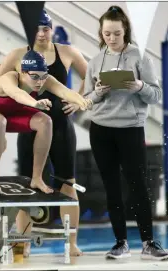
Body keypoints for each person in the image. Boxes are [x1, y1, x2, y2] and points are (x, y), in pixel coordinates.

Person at [0, 10, 88, 257]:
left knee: (68, 183)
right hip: (30, 129)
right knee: (27, 186)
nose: (42, 33)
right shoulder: (17, 55)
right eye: (37, 28)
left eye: (46, 28)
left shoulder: (66, 52)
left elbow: (92, 76)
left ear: (51, 28)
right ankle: (23, 242)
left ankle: (72, 241)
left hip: (61, 129)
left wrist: (79, 101)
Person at [83, 5, 168, 260]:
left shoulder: (140, 58)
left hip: (130, 129)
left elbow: (157, 95)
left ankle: (148, 242)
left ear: (125, 31)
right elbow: (87, 98)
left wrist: (140, 85)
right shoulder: (96, 61)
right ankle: (120, 242)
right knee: (111, 186)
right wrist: (99, 91)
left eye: (116, 34)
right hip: (101, 130)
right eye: (107, 33)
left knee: (138, 185)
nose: (111, 38)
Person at [0, 50, 92, 195]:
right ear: (22, 72)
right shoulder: (8, 78)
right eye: (34, 77)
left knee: (45, 121)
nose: (40, 82)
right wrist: (34, 103)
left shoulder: (44, 79)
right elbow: (17, 94)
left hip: (11, 115)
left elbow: (65, 92)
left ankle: (37, 178)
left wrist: (81, 101)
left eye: (43, 77)